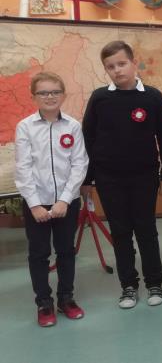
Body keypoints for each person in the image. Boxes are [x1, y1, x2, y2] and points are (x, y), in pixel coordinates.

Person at [81, 40, 162, 309]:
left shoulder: (152, 97)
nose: (117, 70)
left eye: (122, 64)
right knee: (120, 232)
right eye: (110, 66)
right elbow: (87, 140)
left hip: (144, 176)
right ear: (106, 70)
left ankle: (154, 282)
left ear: (134, 63)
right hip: (109, 178)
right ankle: (128, 286)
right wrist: (87, 179)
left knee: (146, 231)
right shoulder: (100, 98)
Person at [14, 72, 88, 326]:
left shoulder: (73, 126)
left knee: (66, 250)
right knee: (39, 253)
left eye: (55, 92)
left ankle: (66, 298)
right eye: (43, 92)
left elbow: (79, 164)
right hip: (37, 203)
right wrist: (35, 204)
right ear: (33, 97)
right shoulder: (25, 127)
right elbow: (23, 168)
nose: (49, 97)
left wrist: (65, 200)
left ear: (63, 95)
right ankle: (44, 302)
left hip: (66, 202)